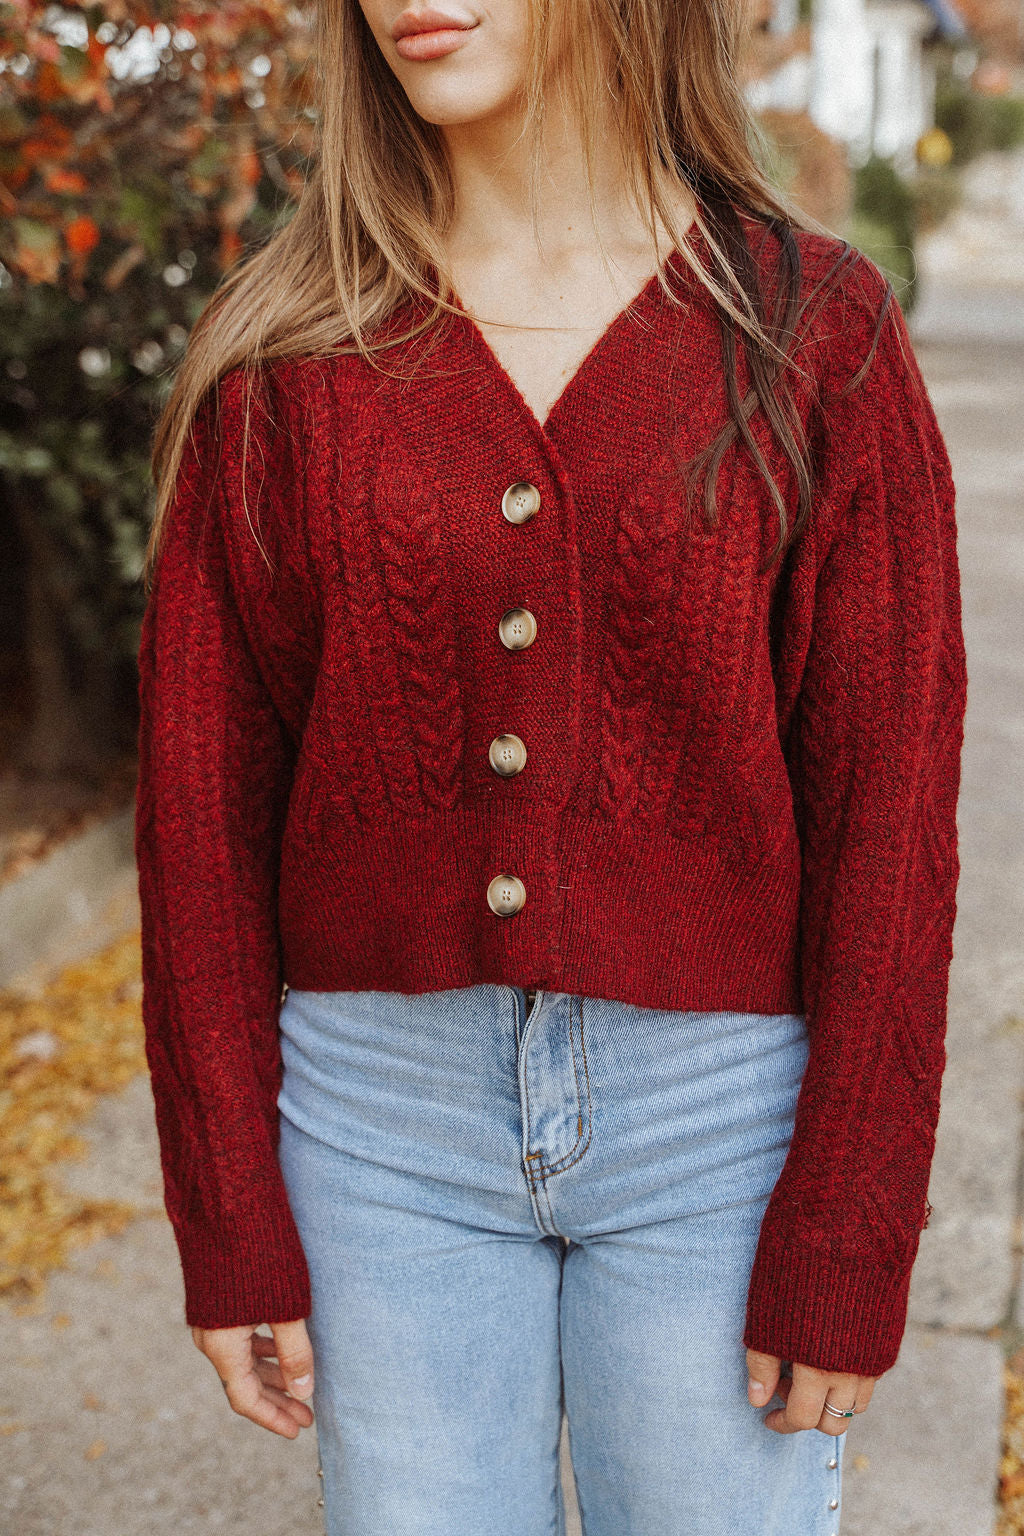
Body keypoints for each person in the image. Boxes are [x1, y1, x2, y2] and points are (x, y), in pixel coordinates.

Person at [134, 0, 968, 1532]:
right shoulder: (285, 349)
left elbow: (892, 818)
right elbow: (200, 819)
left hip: (721, 1131)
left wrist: (848, 1224)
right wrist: (227, 1208)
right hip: (378, 1133)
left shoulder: (812, 333)